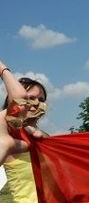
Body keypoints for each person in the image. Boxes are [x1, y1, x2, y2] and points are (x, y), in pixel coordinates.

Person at [0, 61, 47, 203]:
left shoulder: (43, 136)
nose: (37, 103)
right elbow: (19, 97)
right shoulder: (12, 129)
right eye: (31, 98)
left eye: (41, 99)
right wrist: (2, 69)